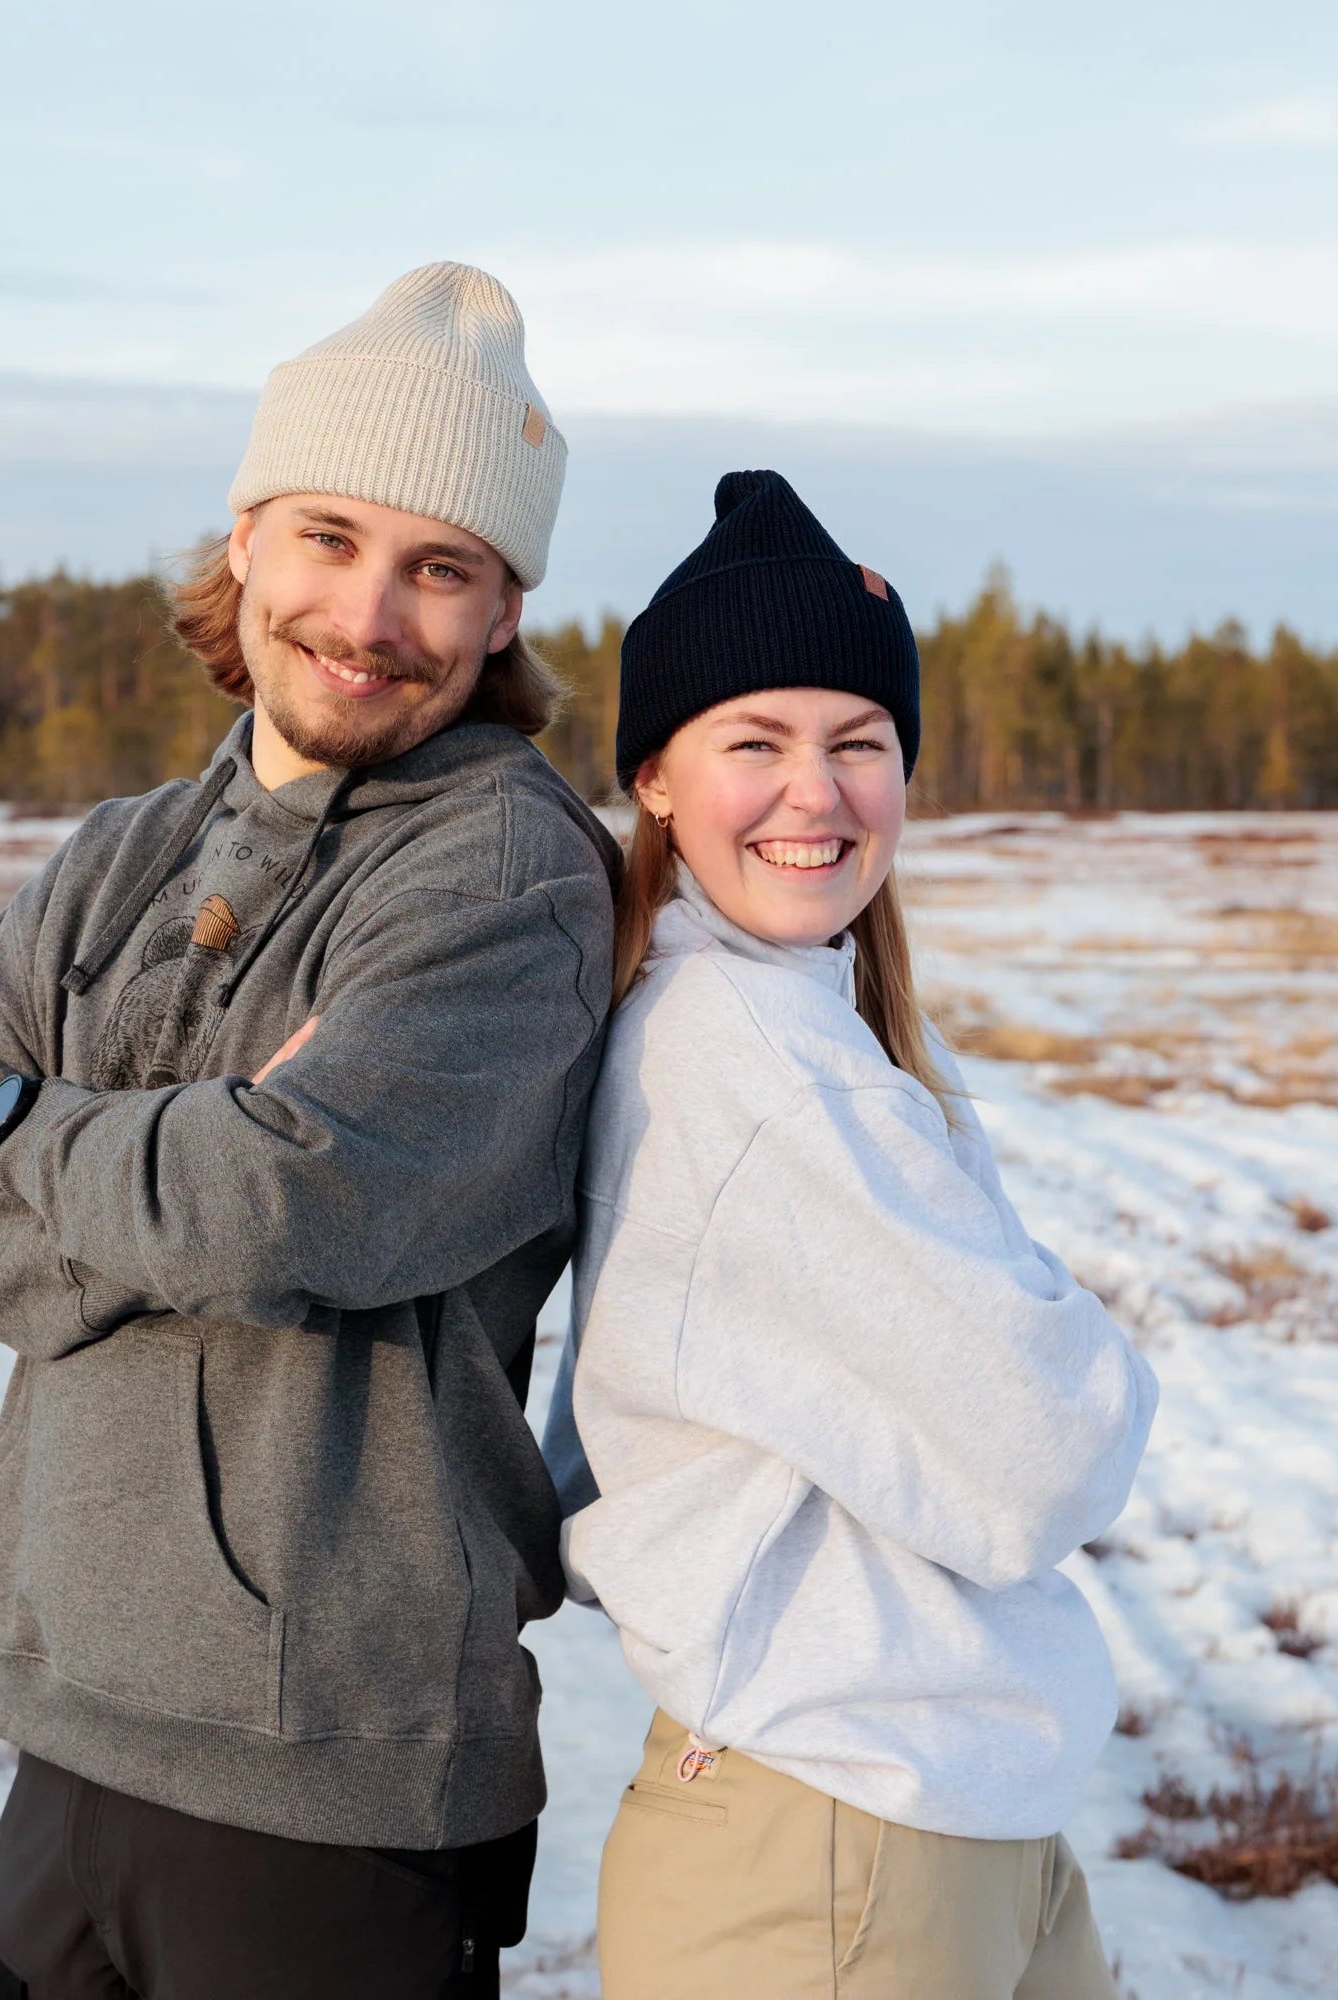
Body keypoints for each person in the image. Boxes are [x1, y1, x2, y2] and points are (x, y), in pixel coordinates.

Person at [0, 262, 620, 2000]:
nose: (371, 614)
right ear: (251, 538)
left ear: (505, 611)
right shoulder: (119, 853)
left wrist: (19, 1116)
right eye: (332, 540)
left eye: (444, 568)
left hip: (328, 1774)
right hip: (70, 1725)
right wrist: (143, 1148)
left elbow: (277, 1211)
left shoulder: (502, 875)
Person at [542, 469, 1159, 1999]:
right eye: (754, 741)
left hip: (937, 1810)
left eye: (858, 744)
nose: (816, 793)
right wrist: (1080, 1348)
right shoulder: (752, 1067)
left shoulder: (813, 1026)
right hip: (835, 1837)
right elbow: (1045, 1452)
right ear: (659, 779)